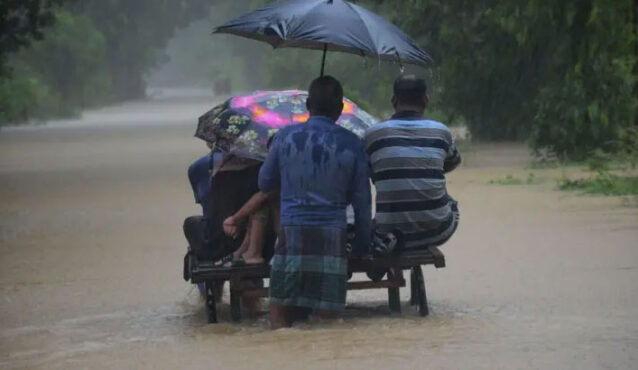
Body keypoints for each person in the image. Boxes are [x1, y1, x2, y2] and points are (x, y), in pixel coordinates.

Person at [259, 76, 372, 329]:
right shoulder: (352, 144)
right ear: (341, 109)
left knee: (279, 312)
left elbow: (264, 182)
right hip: (332, 236)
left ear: (307, 104)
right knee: (327, 319)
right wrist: (364, 245)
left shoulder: (284, 137)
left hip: (291, 233)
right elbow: (363, 203)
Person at [364, 75, 461, 251]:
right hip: (437, 230)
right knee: (452, 202)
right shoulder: (441, 132)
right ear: (426, 100)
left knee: (376, 222)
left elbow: (369, 172)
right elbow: (453, 162)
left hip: (386, 231)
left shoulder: (372, 135)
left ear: (393, 101)